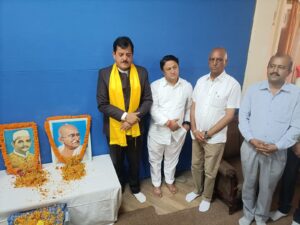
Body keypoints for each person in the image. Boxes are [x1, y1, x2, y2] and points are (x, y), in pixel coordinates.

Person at [238, 53, 300, 225]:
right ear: (267, 68)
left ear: (288, 71)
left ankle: (260, 218)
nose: (275, 70)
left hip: (276, 152)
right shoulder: (253, 89)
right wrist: (251, 139)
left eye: (281, 67)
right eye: (272, 65)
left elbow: (296, 126)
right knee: (249, 184)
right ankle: (248, 214)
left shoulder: (296, 94)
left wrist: (278, 146)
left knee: (267, 188)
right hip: (250, 147)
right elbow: (243, 117)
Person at [97, 36, 153, 203]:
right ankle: (119, 188)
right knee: (117, 162)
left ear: (132, 55)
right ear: (114, 54)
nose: (125, 58)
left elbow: (148, 100)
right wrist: (124, 116)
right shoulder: (104, 74)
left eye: (128, 54)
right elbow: (102, 104)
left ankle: (135, 188)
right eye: (121, 54)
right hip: (114, 128)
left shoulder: (142, 72)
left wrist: (133, 118)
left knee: (135, 161)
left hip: (136, 127)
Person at [185, 47, 241, 212]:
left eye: (219, 59)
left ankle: (207, 197)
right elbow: (193, 107)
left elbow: (230, 115)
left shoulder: (232, 85)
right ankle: (197, 190)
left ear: (226, 61)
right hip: (196, 135)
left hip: (214, 139)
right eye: (212, 59)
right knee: (195, 165)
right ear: (208, 61)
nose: (215, 63)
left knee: (210, 171)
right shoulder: (201, 81)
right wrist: (195, 130)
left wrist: (208, 133)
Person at [148, 55, 193, 197]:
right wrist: (168, 123)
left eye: (175, 67)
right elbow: (153, 109)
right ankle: (156, 184)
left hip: (178, 132)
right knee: (155, 159)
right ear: (163, 71)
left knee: (172, 158)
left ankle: (169, 180)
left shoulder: (187, 86)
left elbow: (189, 107)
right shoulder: (155, 86)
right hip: (158, 131)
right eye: (169, 69)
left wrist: (186, 125)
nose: (173, 71)